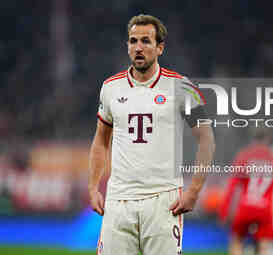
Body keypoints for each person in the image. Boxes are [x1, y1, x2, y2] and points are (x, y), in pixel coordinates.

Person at [88, 14, 215, 255]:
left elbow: (206, 138)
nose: (138, 47)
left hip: (163, 201)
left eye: (146, 41)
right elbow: (100, 140)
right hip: (119, 200)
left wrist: (193, 191)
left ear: (160, 48)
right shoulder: (110, 87)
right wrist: (93, 187)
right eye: (133, 41)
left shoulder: (182, 86)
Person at [218, 128, 273, 255]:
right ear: (267, 140)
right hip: (265, 209)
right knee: (263, 247)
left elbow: (232, 186)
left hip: (245, 207)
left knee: (236, 242)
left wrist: (224, 211)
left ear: (253, 139)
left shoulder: (244, 157)